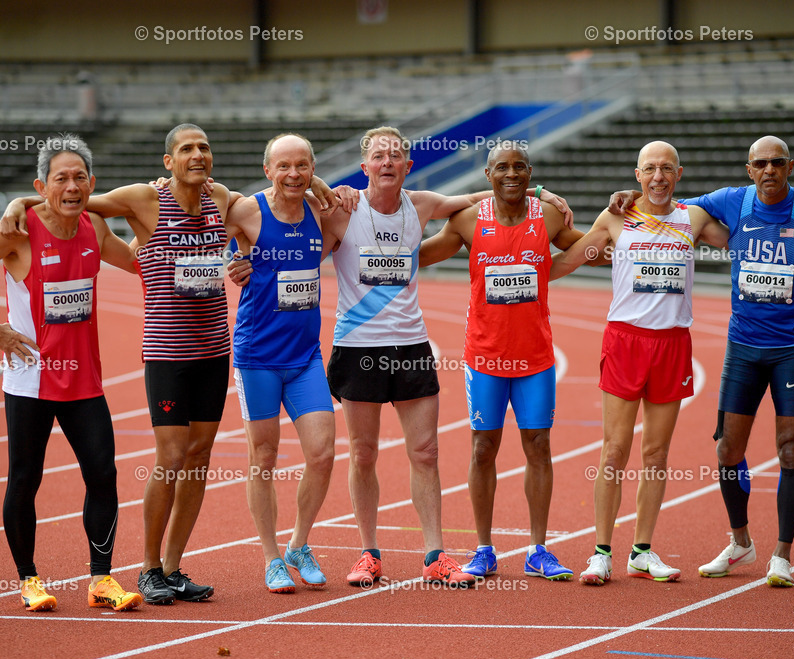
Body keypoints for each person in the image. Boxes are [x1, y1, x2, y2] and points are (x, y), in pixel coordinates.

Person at [229, 127, 574, 588]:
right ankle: (368, 553)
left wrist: (538, 191)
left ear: (409, 166)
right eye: (379, 155)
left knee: (426, 452)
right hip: (357, 348)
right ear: (365, 166)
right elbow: (284, 230)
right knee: (363, 454)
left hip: (411, 346)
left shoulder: (423, 205)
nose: (388, 162)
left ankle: (435, 554)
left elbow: (486, 193)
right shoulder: (340, 209)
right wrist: (241, 257)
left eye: (396, 155)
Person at [0, 124, 304, 604]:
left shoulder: (221, 197)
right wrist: (20, 203)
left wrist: (246, 255)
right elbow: (75, 201)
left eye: (204, 147)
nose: (197, 154)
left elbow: (269, 205)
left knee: (199, 458)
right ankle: (147, 568)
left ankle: (174, 567)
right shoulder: (144, 199)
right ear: (168, 161)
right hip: (167, 352)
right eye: (186, 149)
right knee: (171, 458)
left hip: (213, 349)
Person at [614, 135, 794, 586]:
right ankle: (741, 542)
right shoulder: (731, 201)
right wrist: (631, 195)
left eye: (777, 162)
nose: (769, 170)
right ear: (749, 169)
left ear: (790, 167)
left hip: (793, 348)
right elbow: (669, 204)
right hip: (743, 347)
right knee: (728, 450)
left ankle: (782, 555)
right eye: (761, 163)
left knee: (790, 447)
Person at [0, 134, 142, 612]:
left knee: (103, 474)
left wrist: (152, 212)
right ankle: (29, 580)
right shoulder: (19, 230)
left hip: (84, 380)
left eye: (79, 178)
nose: (71, 186)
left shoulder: (95, 225)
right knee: (25, 478)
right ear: (41, 186)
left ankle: (101, 580)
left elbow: (137, 262)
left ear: (92, 183)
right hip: (31, 381)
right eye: (61, 178)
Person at [551, 141, 728, 585]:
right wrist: (513, 266)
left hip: (672, 344)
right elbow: (569, 260)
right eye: (650, 169)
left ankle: (642, 552)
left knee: (655, 453)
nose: (658, 176)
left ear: (679, 174)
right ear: (637, 175)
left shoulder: (694, 218)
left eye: (666, 168)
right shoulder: (616, 217)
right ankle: (601, 553)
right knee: (614, 450)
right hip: (625, 341)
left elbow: (746, 238)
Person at [418, 141, 584, 581]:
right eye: (502, 167)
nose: (512, 174)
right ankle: (484, 549)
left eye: (520, 167)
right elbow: (419, 256)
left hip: (536, 358)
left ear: (530, 173)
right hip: (485, 357)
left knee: (539, 446)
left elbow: (591, 248)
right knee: (482, 448)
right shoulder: (468, 220)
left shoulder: (548, 217)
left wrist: (623, 225)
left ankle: (537, 550)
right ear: (488, 175)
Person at [220, 133, 340, 593]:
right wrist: (233, 259)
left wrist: (327, 188)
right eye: (284, 166)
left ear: (313, 169)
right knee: (264, 456)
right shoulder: (247, 211)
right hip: (258, 357)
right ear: (267, 170)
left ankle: (298, 544)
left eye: (302, 165)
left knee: (322, 453)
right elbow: (203, 220)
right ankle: (271, 557)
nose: (293, 174)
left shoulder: (321, 210)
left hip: (305, 355)